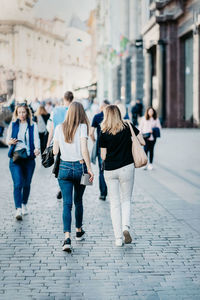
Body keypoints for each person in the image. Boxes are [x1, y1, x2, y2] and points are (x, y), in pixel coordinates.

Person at [99, 105, 145, 247]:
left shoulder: (104, 131)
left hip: (110, 170)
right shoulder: (128, 125)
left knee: (114, 203)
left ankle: (118, 238)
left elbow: (103, 155)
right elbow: (142, 141)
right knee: (126, 200)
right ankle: (126, 227)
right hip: (127, 167)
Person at [53, 102, 94, 252]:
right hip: (80, 168)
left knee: (67, 204)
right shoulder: (83, 127)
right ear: (81, 113)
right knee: (79, 200)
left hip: (63, 169)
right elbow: (84, 149)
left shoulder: (59, 128)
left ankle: (66, 238)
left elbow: (55, 151)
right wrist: (90, 169)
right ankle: (78, 231)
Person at [6, 103, 40, 220]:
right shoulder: (13, 124)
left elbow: (36, 140)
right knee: (18, 183)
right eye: (19, 112)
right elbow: (7, 140)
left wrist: (37, 149)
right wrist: (11, 142)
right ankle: (18, 209)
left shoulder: (33, 125)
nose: (22, 114)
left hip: (29, 159)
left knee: (27, 184)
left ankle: (24, 203)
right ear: (16, 113)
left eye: (24, 112)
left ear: (27, 113)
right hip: (15, 159)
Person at [47, 91, 74, 199]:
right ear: (72, 99)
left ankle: (61, 187)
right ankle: (71, 186)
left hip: (59, 142)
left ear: (64, 98)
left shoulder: (56, 110)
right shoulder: (75, 110)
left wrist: (48, 143)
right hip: (72, 142)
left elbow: (52, 129)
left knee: (60, 164)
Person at [90, 100, 110, 201]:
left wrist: (95, 141)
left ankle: (103, 193)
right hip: (111, 146)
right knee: (111, 169)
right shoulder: (111, 117)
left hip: (100, 146)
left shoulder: (97, 117)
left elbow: (91, 133)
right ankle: (111, 190)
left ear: (101, 107)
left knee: (101, 170)